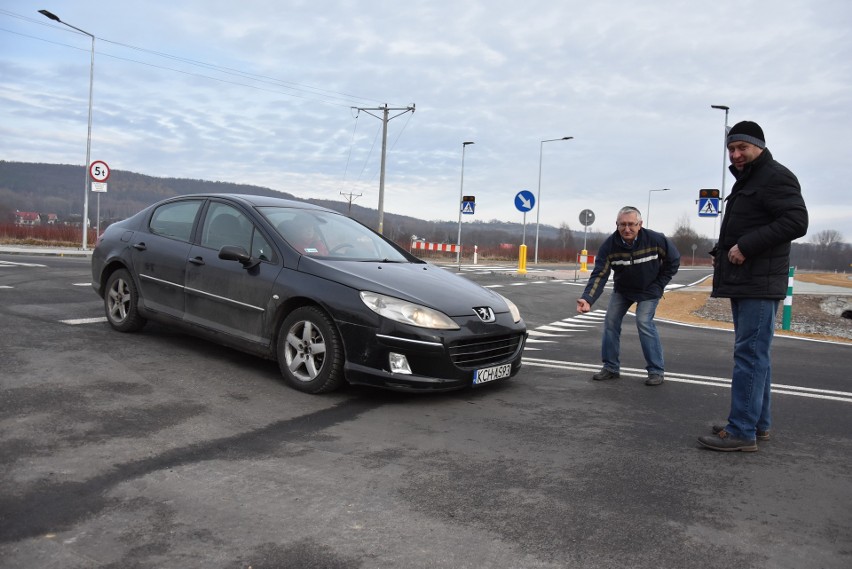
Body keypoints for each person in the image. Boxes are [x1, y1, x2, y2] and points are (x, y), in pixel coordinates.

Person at [697, 121, 808, 452]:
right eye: (731, 149)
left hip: (759, 283)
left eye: (742, 148)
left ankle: (742, 431)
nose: (735, 154)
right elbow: (746, 225)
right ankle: (757, 423)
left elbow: (796, 221)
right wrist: (723, 252)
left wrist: (746, 246)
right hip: (747, 280)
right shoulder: (750, 180)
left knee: (749, 355)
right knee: (757, 356)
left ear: (758, 146)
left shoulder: (775, 176)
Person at [577, 206, 680, 386]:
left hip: (649, 290)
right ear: (616, 225)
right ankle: (610, 367)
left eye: (631, 224)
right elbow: (600, 274)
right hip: (623, 290)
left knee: (643, 321)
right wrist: (587, 299)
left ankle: (656, 370)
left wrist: (659, 284)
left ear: (640, 224)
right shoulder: (609, 246)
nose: (627, 229)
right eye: (622, 224)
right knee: (610, 321)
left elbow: (674, 260)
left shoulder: (656, 240)